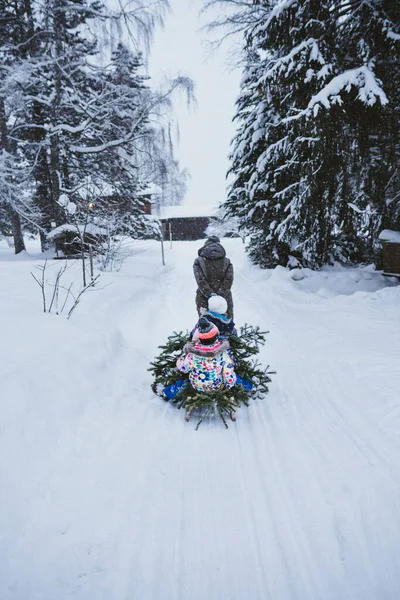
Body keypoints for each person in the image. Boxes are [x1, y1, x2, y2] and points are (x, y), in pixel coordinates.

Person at [161, 317, 236, 401]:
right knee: (235, 376)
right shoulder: (223, 355)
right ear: (216, 337)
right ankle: (249, 386)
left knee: (182, 383)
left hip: (196, 386)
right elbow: (228, 373)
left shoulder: (192, 355)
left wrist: (180, 360)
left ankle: (167, 393)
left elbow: (184, 368)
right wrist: (229, 384)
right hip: (216, 386)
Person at [193, 236, 234, 319]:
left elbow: (200, 279)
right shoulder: (227, 261)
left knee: (207, 327)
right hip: (224, 298)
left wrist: (209, 293)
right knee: (226, 325)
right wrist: (221, 293)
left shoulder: (199, 261)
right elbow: (229, 278)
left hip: (204, 296)